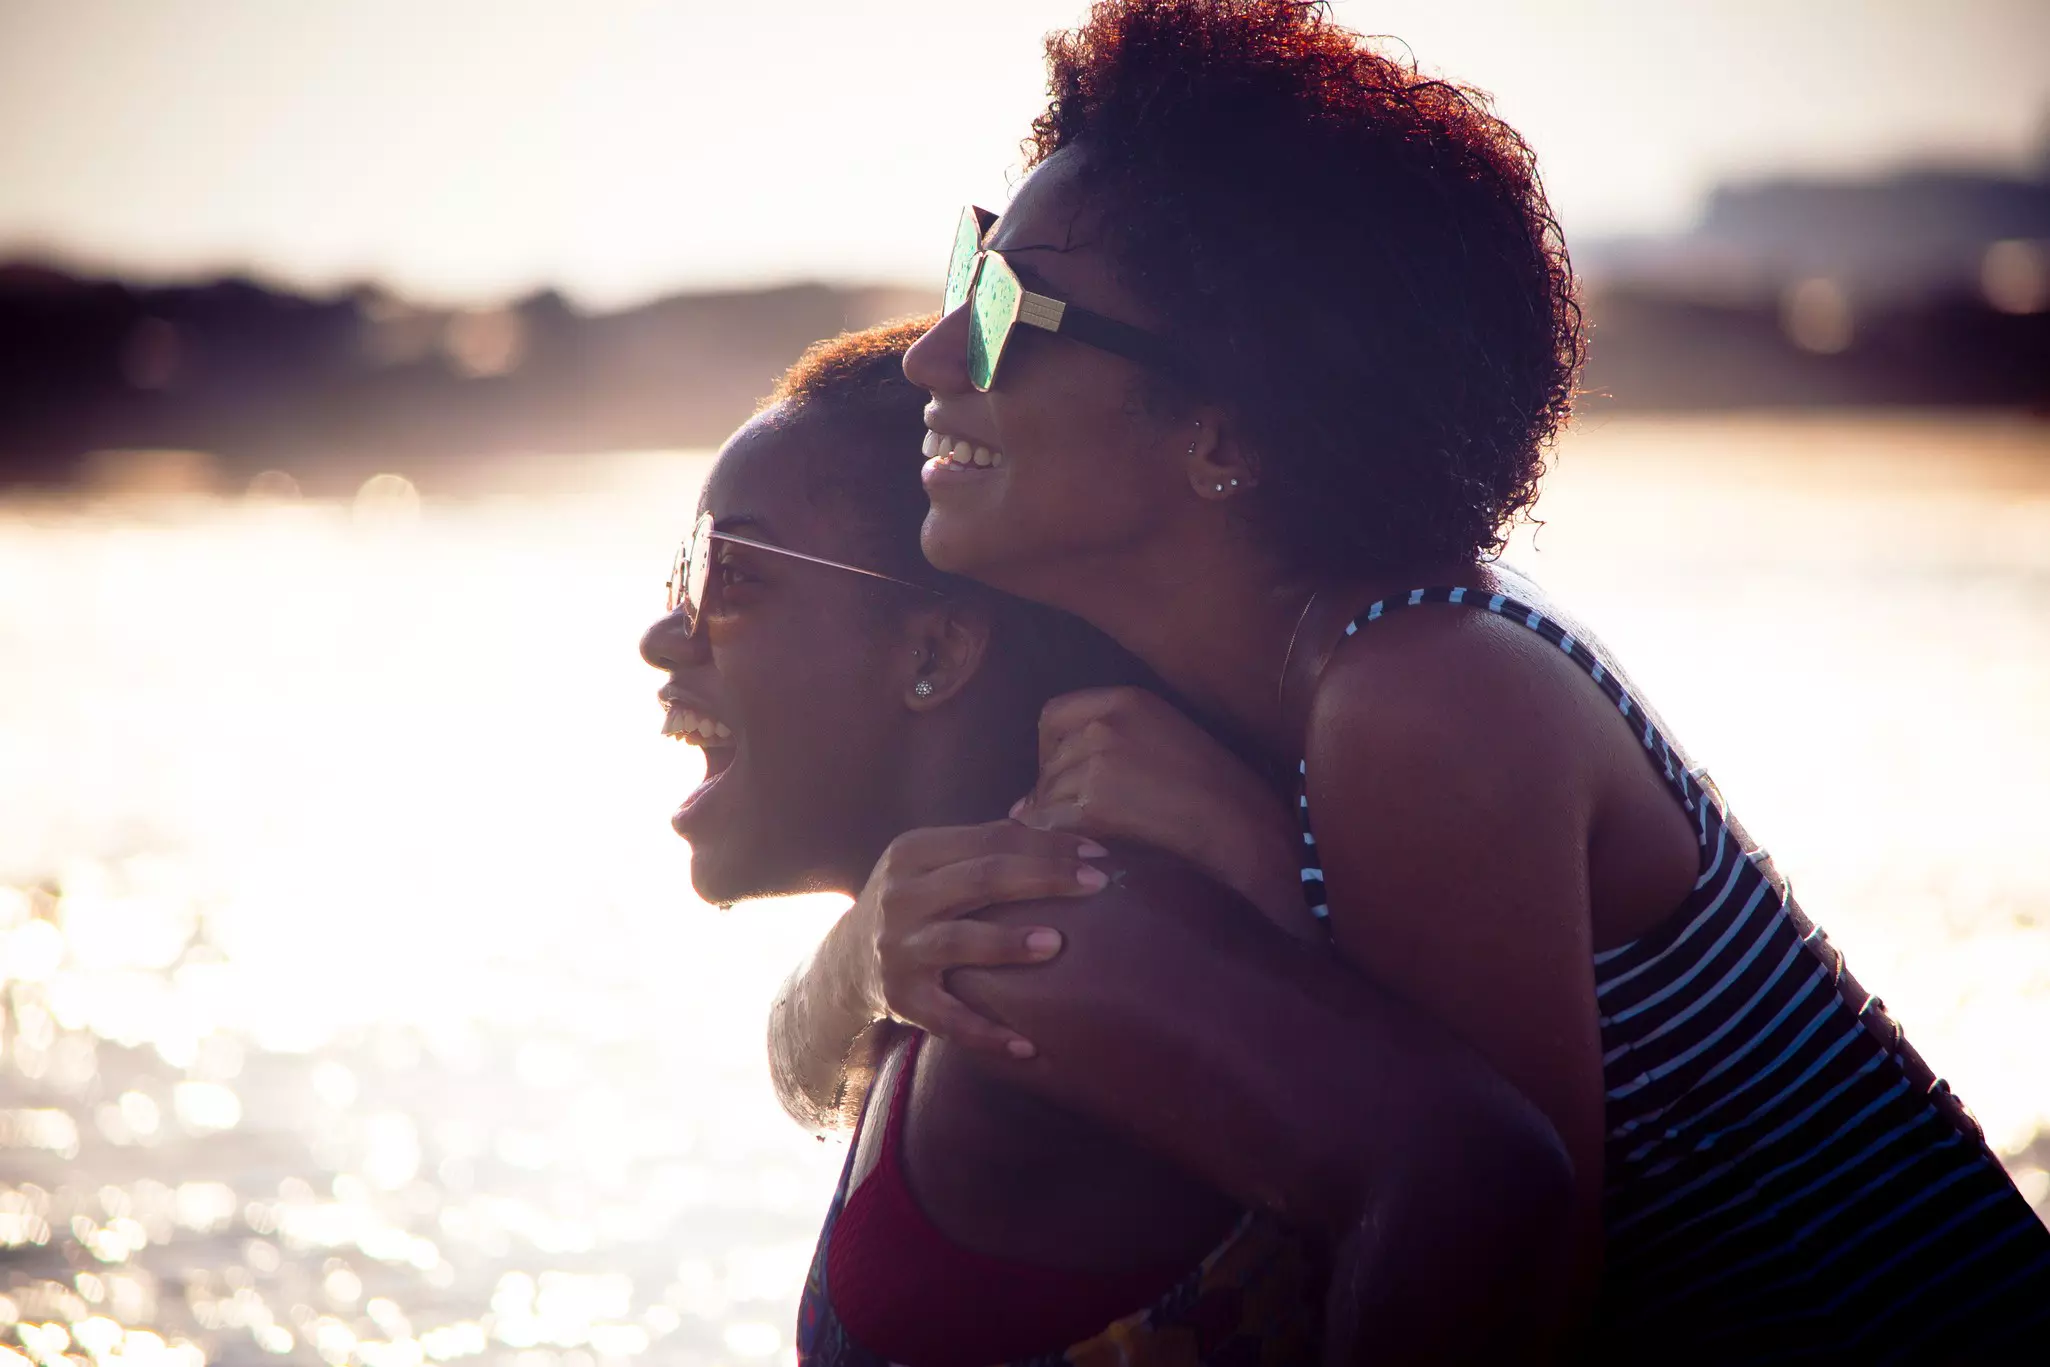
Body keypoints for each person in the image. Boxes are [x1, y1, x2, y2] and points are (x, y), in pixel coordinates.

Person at [774, 2, 2050, 1361]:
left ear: (1224, 431)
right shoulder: (1265, 675)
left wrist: (1273, 907)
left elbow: (1512, 1286)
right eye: (965, 267)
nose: (927, 351)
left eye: (1003, 308)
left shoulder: (1422, 697)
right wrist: (864, 952)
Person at [640, 319, 1573, 1366]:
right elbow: (806, 1062)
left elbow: (1474, 1179)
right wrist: (856, 959)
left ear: (936, 649)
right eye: (684, 574)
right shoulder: (933, 942)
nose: (663, 634)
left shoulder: (1045, 930)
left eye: (732, 575)